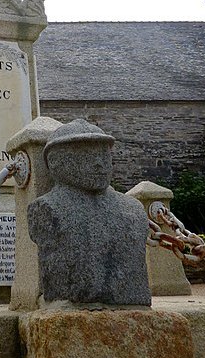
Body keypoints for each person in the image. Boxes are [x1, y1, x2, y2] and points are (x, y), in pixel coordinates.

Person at [28, 119, 151, 307]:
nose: (99, 164)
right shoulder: (46, 208)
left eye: (104, 154)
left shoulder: (133, 209)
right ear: (55, 163)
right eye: (86, 154)